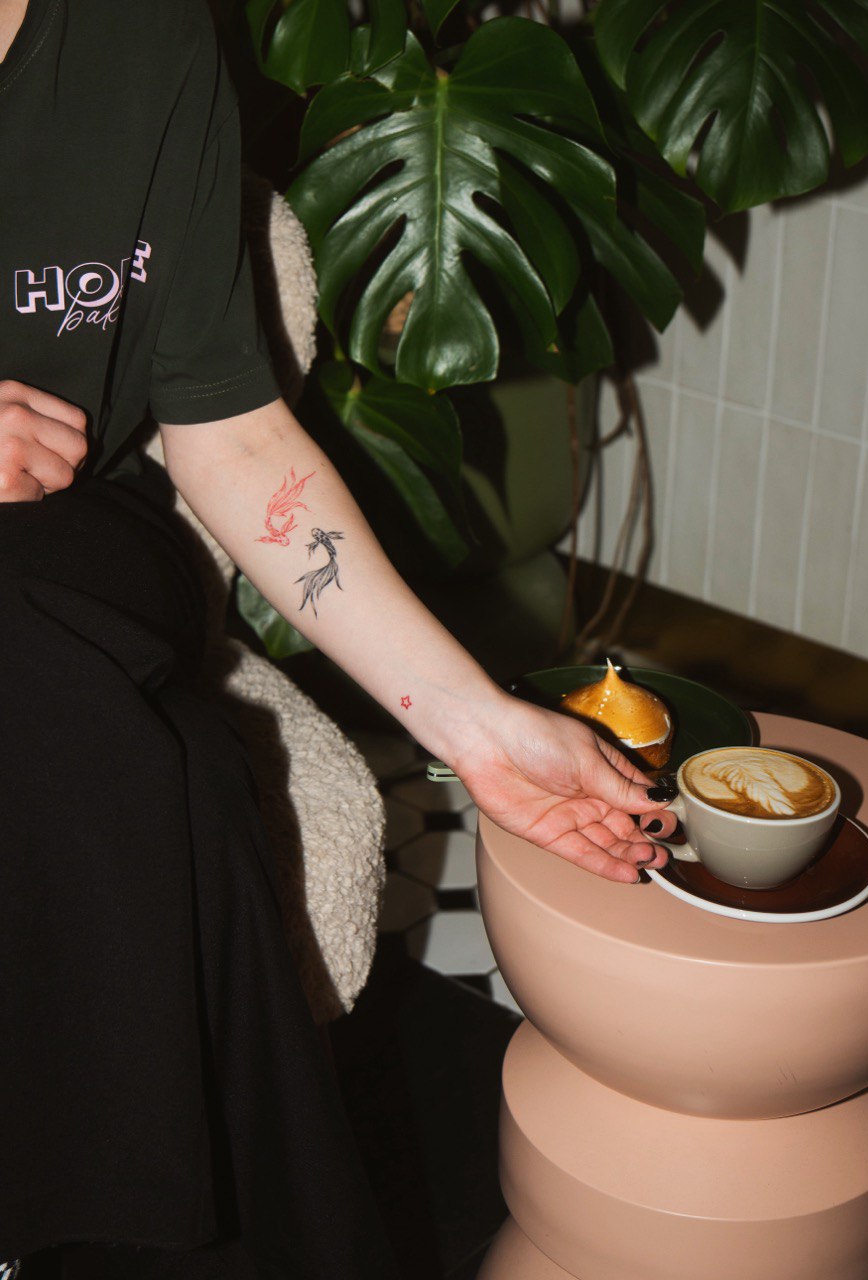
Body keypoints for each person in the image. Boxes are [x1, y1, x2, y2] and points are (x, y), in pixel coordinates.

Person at [0, 0, 671, 1275]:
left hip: (71, 553)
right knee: (172, 776)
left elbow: (229, 429)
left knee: (46, 679)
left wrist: (479, 730)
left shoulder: (144, 35)